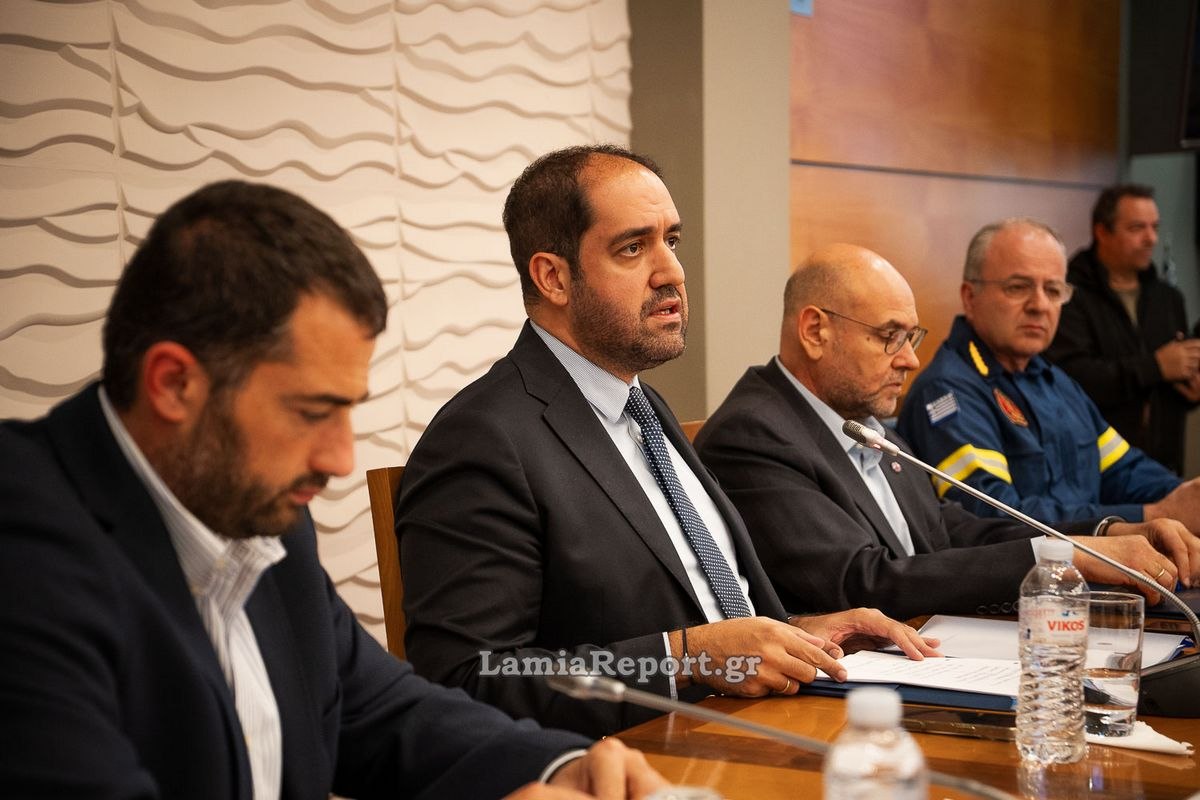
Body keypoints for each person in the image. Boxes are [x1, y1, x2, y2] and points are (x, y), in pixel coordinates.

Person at [0, 180, 667, 799]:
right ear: (174, 384)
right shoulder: (24, 547)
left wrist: (560, 767)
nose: (340, 459)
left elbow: (380, 710)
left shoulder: (260, 514)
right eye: (311, 412)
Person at [395, 145, 939, 739]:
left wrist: (800, 631)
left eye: (671, 241)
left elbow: (704, 611)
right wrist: (685, 658)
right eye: (633, 248)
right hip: (636, 758)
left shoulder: (642, 404)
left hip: (753, 724)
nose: (672, 272)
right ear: (553, 277)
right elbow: (470, 678)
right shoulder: (483, 439)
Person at [694, 243, 1197, 622]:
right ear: (814, 331)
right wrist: (1065, 557)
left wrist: (1104, 535)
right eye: (890, 336)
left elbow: (951, 529)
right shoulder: (754, 435)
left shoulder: (863, 422)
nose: (910, 360)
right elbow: (860, 582)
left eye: (911, 337)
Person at [897, 218, 1200, 539]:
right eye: (1018, 287)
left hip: (1089, 563)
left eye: (1053, 290)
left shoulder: (1056, 381)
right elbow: (993, 519)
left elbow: (1124, 471)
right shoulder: (946, 393)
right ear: (970, 297)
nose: (1040, 306)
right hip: (1026, 571)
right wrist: (1149, 516)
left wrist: (1186, 497)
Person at [1046, 184, 1200, 474]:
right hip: (1095, 470)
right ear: (1102, 232)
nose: (1151, 238)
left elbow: (1171, 385)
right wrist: (1155, 366)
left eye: (1154, 227)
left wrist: (1192, 389)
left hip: (1163, 467)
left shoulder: (1168, 298)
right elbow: (1070, 380)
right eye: (1137, 228)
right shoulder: (1067, 296)